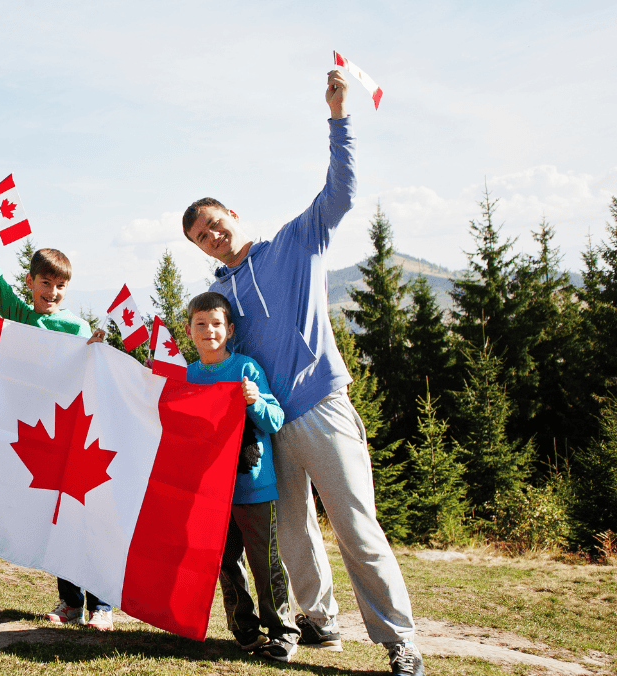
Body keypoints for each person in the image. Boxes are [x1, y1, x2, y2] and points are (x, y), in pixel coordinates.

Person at [177, 71, 424, 676]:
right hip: (268, 425)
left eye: (213, 224)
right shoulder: (219, 294)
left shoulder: (295, 240)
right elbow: (210, 354)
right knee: (293, 534)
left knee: (355, 527)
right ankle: (320, 620)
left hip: (322, 404)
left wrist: (339, 118)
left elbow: (340, 193)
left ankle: (400, 642)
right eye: (200, 238)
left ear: (232, 214)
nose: (211, 237)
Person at [0, 199, 114, 631]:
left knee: (86, 517)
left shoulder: (77, 329)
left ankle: (101, 604)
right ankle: (70, 603)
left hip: (77, 434)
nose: (52, 292)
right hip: (40, 435)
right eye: (45, 283)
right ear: (30, 282)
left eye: (60, 286)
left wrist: (98, 351)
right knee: (58, 520)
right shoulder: (20, 314)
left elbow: (97, 376)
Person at [181, 291, 299, 662]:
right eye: (201, 324)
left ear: (229, 329)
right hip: (210, 491)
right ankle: (243, 629)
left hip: (253, 485)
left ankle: (282, 631)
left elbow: (275, 420)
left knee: (264, 560)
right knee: (225, 561)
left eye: (216, 324)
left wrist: (255, 401)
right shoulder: (188, 374)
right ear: (189, 331)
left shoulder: (247, 369)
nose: (209, 330)